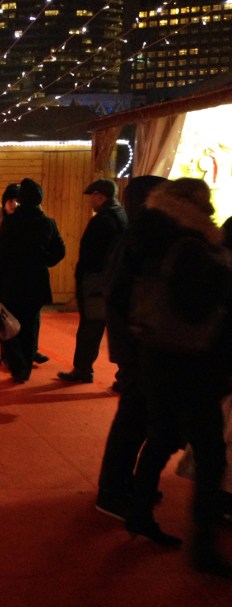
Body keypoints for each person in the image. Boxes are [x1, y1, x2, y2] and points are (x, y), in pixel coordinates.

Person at [120, 179, 232, 574]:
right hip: (192, 360)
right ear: (190, 205)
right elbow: (197, 306)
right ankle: (205, 545)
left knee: (162, 435)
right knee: (211, 453)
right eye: (205, 200)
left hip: (156, 351)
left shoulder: (152, 235)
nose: (212, 206)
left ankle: (138, 511)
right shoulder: (192, 246)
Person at [95, 176, 167, 521]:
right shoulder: (134, 241)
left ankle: (129, 485)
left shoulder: (141, 239)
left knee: (142, 419)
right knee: (133, 420)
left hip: (142, 345)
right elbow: (120, 296)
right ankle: (113, 490)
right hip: (140, 347)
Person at [0, 178, 65, 383]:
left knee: (9, 325)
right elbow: (59, 251)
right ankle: (25, 369)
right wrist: (44, 261)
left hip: (11, 282)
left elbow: (0, 256)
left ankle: (17, 365)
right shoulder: (48, 223)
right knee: (31, 327)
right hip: (37, 282)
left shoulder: (11, 222)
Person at [58, 179, 127, 384]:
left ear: (100, 196)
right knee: (115, 329)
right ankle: (124, 376)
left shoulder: (103, 220)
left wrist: (83, 277)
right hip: (113, 279)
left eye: (91, 197)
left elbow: (92, 254)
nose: (90, 201)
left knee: (90, 327)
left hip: (97, 281)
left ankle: (83, 369)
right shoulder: (121, 215)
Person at [0, 184, 50, 366]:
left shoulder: (32, 223)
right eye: (10, 201)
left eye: (17, 200)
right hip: (7, 281)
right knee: (7, 320)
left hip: (29, 280)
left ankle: (30, 351)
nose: (13, 204)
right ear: (4, 204)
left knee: (31, 320)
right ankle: (10, 356)